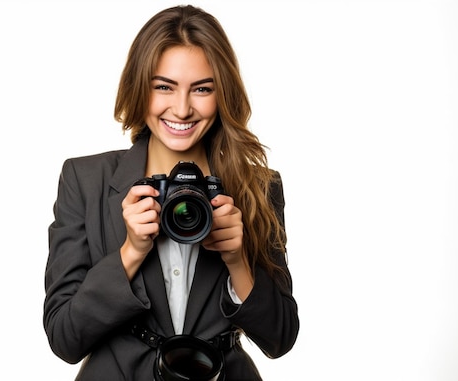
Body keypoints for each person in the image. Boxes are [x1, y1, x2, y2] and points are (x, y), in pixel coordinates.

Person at [43, 5, 299, 380]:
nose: (181, 109)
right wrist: (131, 252)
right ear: (139, 87)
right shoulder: (86, 180)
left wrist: (237, 260)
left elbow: (281, 338)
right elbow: (65, 338)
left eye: (202, 89)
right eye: (163, 86)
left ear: (222, 93)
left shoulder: (257, 186)